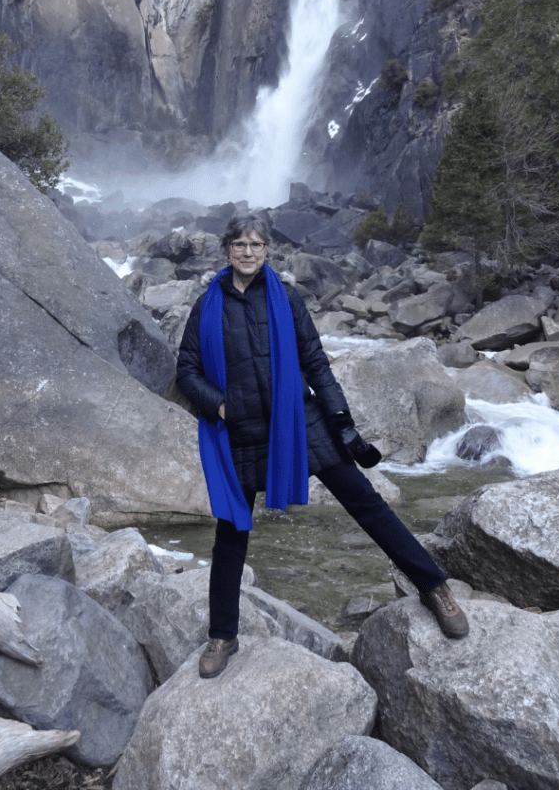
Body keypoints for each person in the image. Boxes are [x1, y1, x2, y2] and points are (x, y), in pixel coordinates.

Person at [176, 212, 468, 679]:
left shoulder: (286, 298)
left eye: (255, 244)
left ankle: (434, 586)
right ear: (227, 250)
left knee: (366, 502)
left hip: (297, 421)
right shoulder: (207, 305)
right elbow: (187, 369)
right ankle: (223, 635)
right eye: (239, 245)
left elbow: (315, 361)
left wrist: (342, 423)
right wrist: (220, 407)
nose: (248, 252)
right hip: (242, 431)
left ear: (267, 250)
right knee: (231, 531)